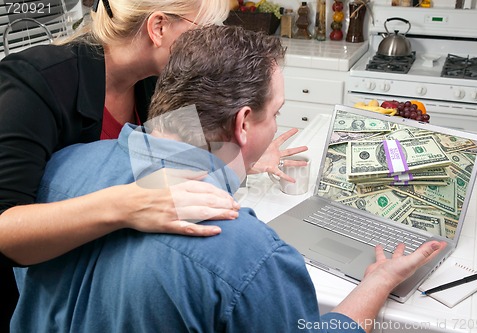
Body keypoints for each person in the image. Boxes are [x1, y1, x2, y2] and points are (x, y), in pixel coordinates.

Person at [11, 25, 446, 333]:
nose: (276, 123)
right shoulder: (250, 255)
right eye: (275, 113)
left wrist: (240, 162)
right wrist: (379, 281)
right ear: (242, 123)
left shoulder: (61, 168)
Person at [0, 0, 306, 327]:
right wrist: (127, 204)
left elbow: (189, 150)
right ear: (158, 27)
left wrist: (245, 154)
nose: (210, 43)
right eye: (203, 30)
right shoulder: (34, 84)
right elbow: (6, 229)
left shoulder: (155, 81)